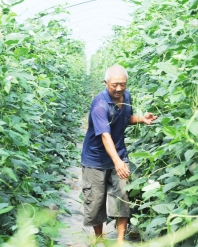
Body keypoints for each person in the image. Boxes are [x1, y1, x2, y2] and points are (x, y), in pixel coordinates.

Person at [81, 64, 158, 244]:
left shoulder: (126, 96)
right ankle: (99, 238)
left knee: (121, 197)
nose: (118, 89)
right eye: (114, 85)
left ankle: (120, 240)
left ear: (126, 83)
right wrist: (117, 161)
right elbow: (105, 136)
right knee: (95, 201)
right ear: (105, 83)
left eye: (122, 84)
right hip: (95, 160)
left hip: (119, 156)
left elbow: (125, 118)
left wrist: (141, 119)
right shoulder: (100, 105)